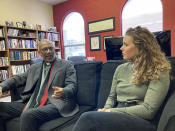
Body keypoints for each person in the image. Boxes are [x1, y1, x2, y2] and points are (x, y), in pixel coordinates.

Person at [72, 26, 171, 131]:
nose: (121, 48)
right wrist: (105, 110)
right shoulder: (120, 69)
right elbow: (111, 97)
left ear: (141, 47)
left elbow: (148, 110)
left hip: (141, 119)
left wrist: (111, 112)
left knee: (87, 118)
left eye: (126, 44)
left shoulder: (159, 70)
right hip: (117, 114)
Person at [0, 39, 79, 131]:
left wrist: (64, 91)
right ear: (39, 53)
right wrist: (2, 86)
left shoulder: (66, 65)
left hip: (55, 103)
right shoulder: (35, 67)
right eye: (45, 49)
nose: (49, 51)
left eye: (51, 48)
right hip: (32, 103)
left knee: (28, 114)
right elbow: (18, 78)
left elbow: (72, 85)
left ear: (55, 50)